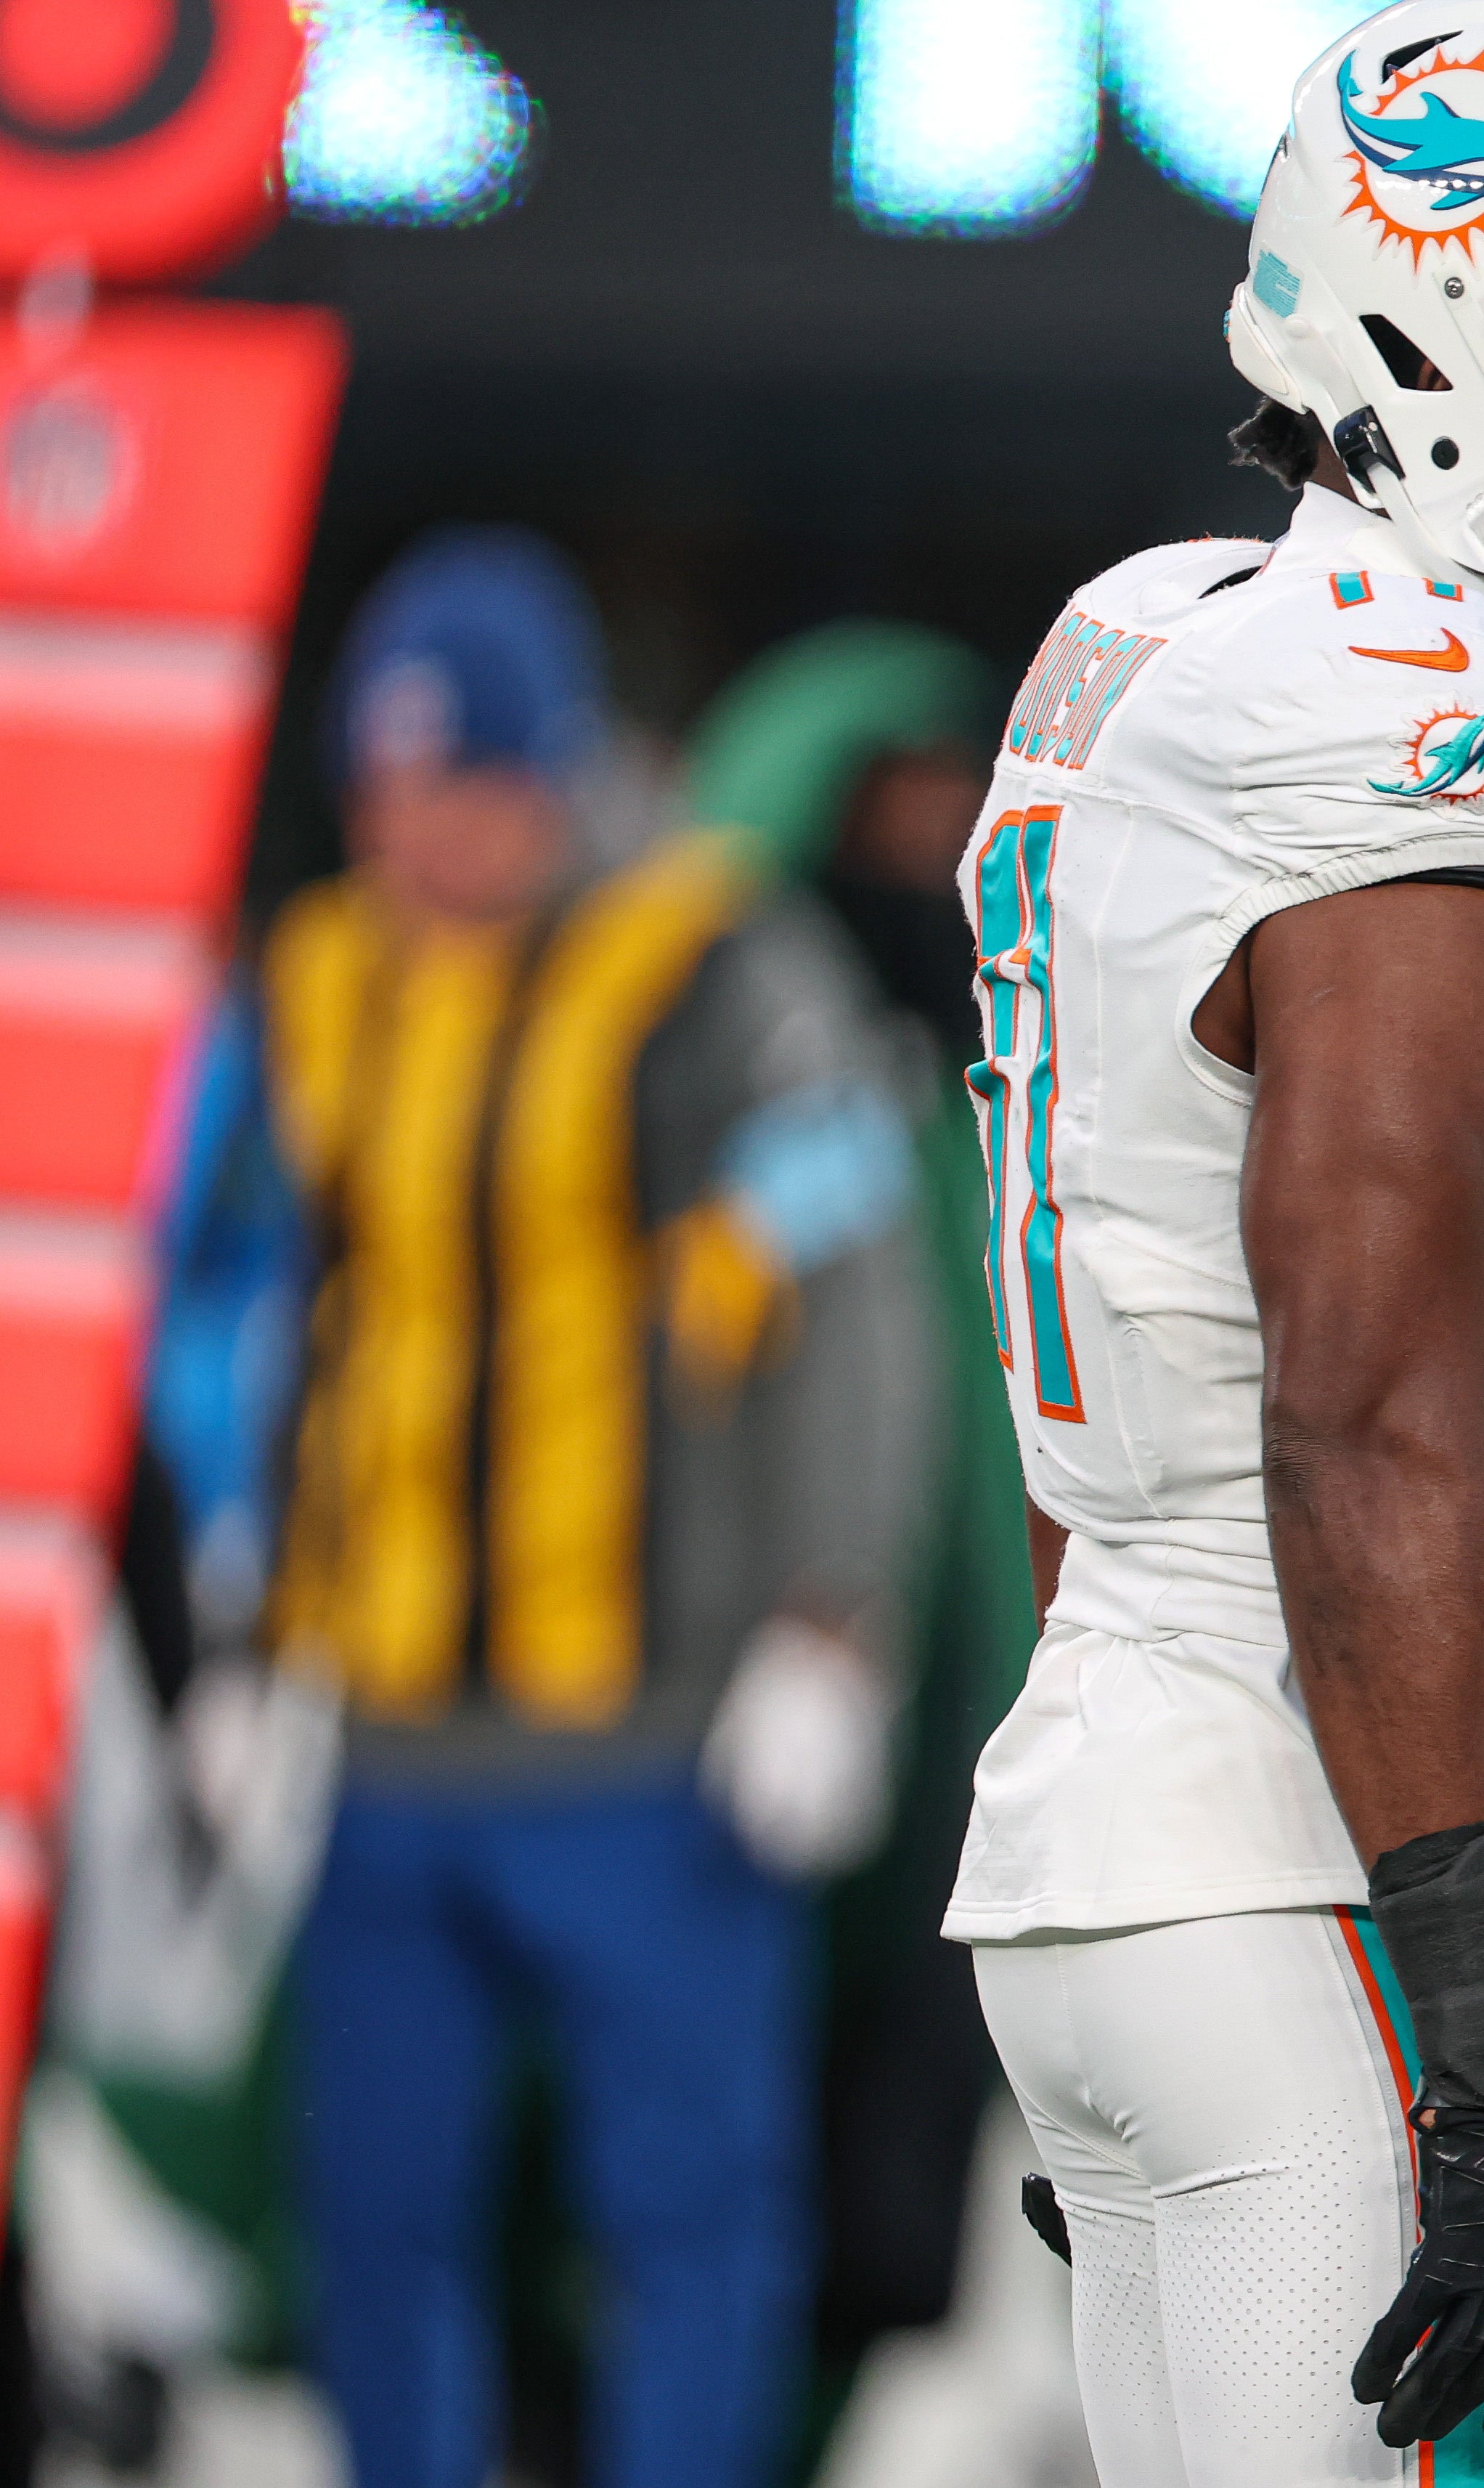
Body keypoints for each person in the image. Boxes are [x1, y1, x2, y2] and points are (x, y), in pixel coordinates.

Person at [930, 6, 1484, 2481]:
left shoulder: (1154, 633)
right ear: (1451, 357)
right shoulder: (1449, 727)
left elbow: (1118, 1341)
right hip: (1358, 1881)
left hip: (1124, 1847)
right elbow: (1355, 1395)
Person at [263, 529, 929, 2488]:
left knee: (690, 2220)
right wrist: (241, 1630)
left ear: (548, 769)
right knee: (372, 2212)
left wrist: (834, 1617)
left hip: (649, 1727)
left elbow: (851, 1299)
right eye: (382, 789)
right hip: (383, 1723)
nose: (415, 835)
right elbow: (283, 1312)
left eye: (453, 785)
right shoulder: (321, 980)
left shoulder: (712, 970)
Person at [678, 621, 1037, 2423]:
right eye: (891, 813)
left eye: (957, 812)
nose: (931, 856)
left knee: (878, 2201)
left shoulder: (1002, 1099)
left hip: (953, 1721)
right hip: (707, 1704)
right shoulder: (736, 1084)